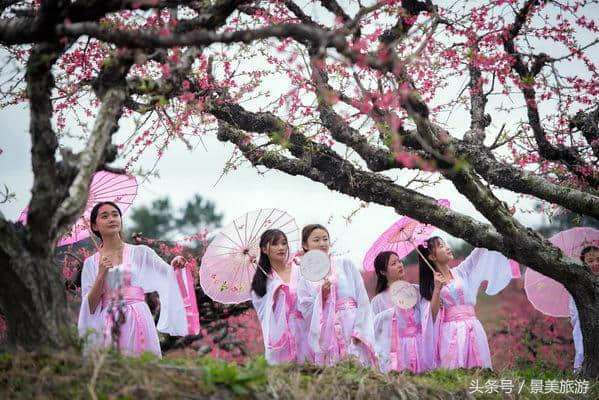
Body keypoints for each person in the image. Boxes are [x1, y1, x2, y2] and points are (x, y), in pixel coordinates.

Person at [78, 201, 190, 357]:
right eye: (105, 216)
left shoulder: (140, 253)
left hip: (138, 316)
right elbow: (89, 306)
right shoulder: (91, 263)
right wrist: (101, 274)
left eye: (115, 214)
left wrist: (176, 265)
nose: (112, 219)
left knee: (143, 362)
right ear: (95, 226)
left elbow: (167, 274)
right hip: (109, 321)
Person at [418, 237, 512, 369]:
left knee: (480, 368)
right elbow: (431, 316)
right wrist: (437, 289)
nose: (447, 247)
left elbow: (479, 251)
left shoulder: (462, 272)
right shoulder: (432, 285)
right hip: (450, 331)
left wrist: (497, 225)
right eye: (441, 246)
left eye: (445, 243)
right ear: (432, 257)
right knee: (456, 368)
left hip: (473, 326)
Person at [296, 224, 377, 367]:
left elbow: (362, 300)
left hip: (352, 329)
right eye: (316, 240)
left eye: (325, 239)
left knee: (361, 372)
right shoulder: (305, 279)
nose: (322, 243)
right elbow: (306, 311)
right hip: (328, 335)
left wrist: (359, 331)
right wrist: (322, 296)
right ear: (305, 245)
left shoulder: (346, 265)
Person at [250, 229, 311, 364]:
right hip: (281, 337)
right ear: (264, 249)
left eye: (284, 243)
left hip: (304, 330)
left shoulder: (300, 270)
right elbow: (264, 315)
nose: (281, 248)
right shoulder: (263, 283)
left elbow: (312, 298)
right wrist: (273, 294)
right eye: (275, 244)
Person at [371, 251, 435, 373]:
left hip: (421, 344)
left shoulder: (416, 290)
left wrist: (435, 289)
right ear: (383, 272)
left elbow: (429, 314)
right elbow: (374, 329)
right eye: (394, 263)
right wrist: (391, 312)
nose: (400, 265)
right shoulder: (378, 301)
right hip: (398, 350)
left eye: (399, 261)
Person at [569, 245, 599, 371]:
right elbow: (576, 317)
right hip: (587, 335)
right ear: (584, 264)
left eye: (598, 260)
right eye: (590, 261)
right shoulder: (578, 287)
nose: (596, 264)